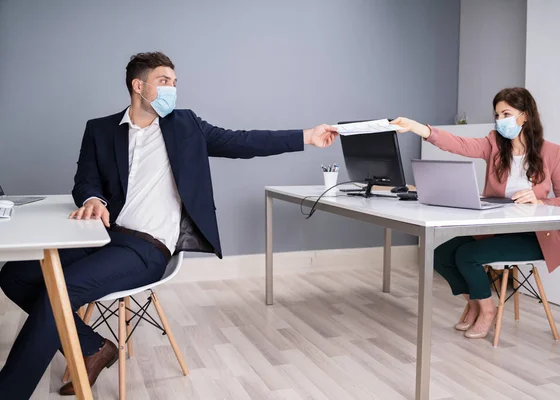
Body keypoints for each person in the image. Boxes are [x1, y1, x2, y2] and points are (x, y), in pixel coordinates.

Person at [0, 51, 338, 398]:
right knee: (14, 275)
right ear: (138, 85)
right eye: (164, 81)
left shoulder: (186, 126)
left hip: (147, 248)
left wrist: (306, 136)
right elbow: (85, 180)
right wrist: (93, 200)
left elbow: (243, 140)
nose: (172, 89)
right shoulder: (100, 130)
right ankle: (94, 347)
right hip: (104, 237)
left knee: (63, 287)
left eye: (175, 83)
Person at [390, 87, 560, 339]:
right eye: (497, 115)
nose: (500, 120)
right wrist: (418, 128)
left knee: (467, 255)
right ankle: (477, 303)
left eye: (506, 113)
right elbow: (459, 144)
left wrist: (540, 199)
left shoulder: (551, 152)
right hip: (496, 232)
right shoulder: (494, 145)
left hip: (533, 238)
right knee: (441, 254)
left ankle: (488, 312)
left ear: (525, 116)